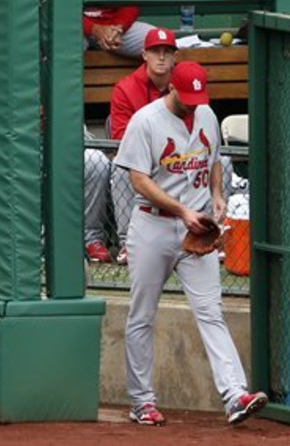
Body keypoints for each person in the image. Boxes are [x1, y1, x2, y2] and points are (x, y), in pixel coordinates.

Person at [113, 61, 267, 426]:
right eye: (189, 96)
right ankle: (142, 401)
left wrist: (217, 195)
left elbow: (212, 159)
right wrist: (182, 209)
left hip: (196, 227)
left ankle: (234, 395)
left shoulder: (207, 115)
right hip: (152, 224)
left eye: (200, 97)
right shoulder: (145, 121)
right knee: (142, 314)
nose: (195, 103)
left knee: (211, 311)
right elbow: (137, 179)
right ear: (172, 88)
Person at [0, 75, 113, 264]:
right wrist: (32, 114)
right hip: (8, 151)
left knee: (96, 160)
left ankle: (90, 239)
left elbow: (66, 117)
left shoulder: (52, 78)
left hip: (56, 148)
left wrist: (16, 113)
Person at [109, 27, 178, 264]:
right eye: (155, 51)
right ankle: (128, 242)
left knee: (222, 162)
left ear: (174, 57)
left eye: (167, 52)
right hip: (143, 159)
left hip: (179, 158)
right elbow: (120, 138)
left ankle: (206, 233)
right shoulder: (125, 88)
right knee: (122, 169)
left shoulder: (184, 86)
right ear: (144, 55)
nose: (161, 57)